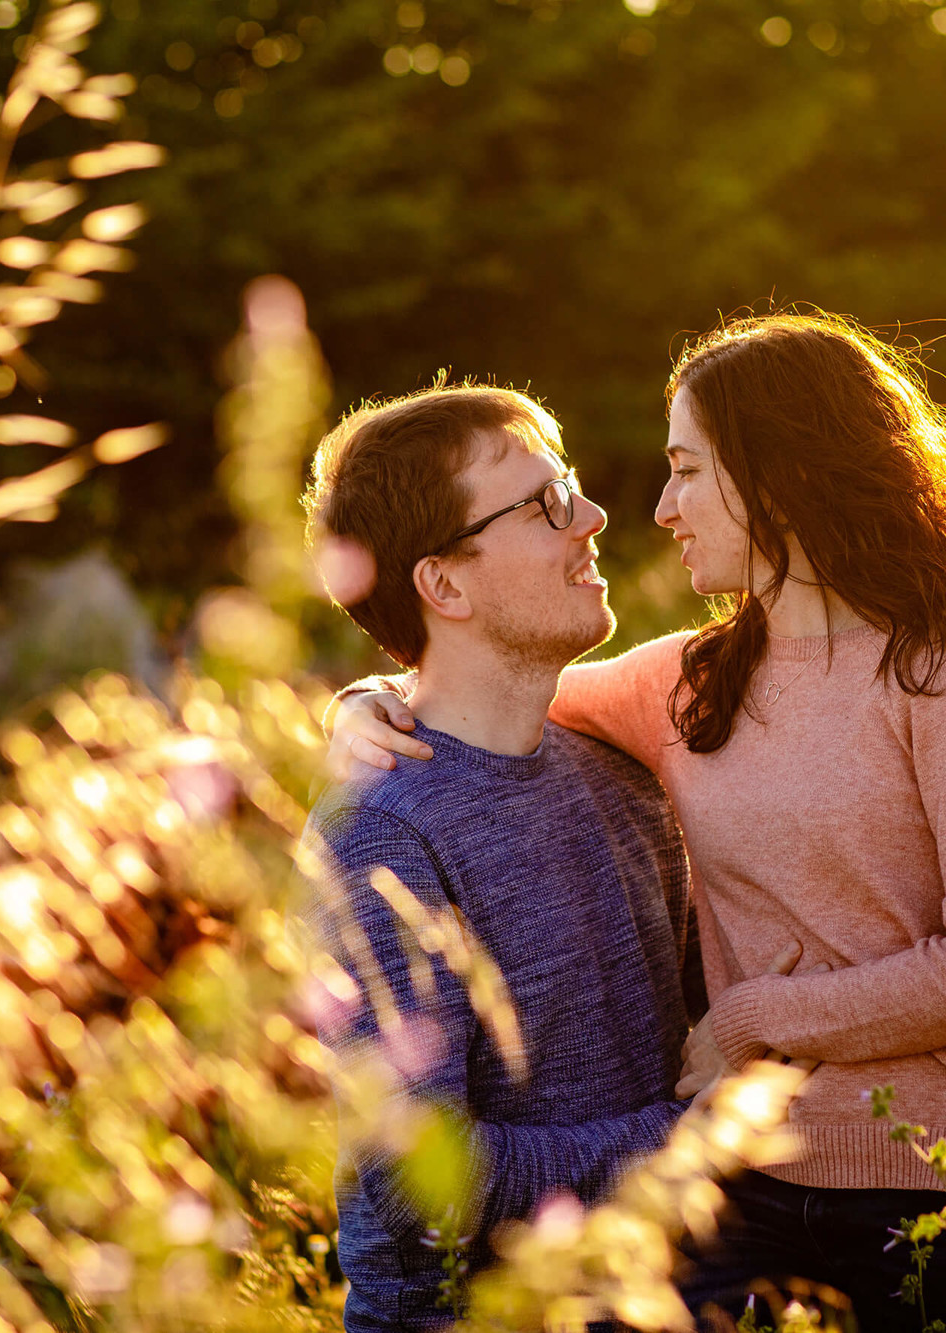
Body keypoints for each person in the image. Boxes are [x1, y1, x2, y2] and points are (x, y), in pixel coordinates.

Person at [327, 312, 946, 1332]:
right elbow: (477, 692)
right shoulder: (677, 691)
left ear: (779, 473)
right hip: (733, 1200)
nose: (637, 509)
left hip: (932, 1186)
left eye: (684, 469)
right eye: (551, 502)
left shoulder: (930, 661)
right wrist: (358, 702)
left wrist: (755, 1022)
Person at [301, 385, 708, 1332]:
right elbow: (418, 1180)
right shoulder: (379, 834)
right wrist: (689, 1139)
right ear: (444, 584)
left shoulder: (626, 775)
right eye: (546, 503)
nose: (595, 517)